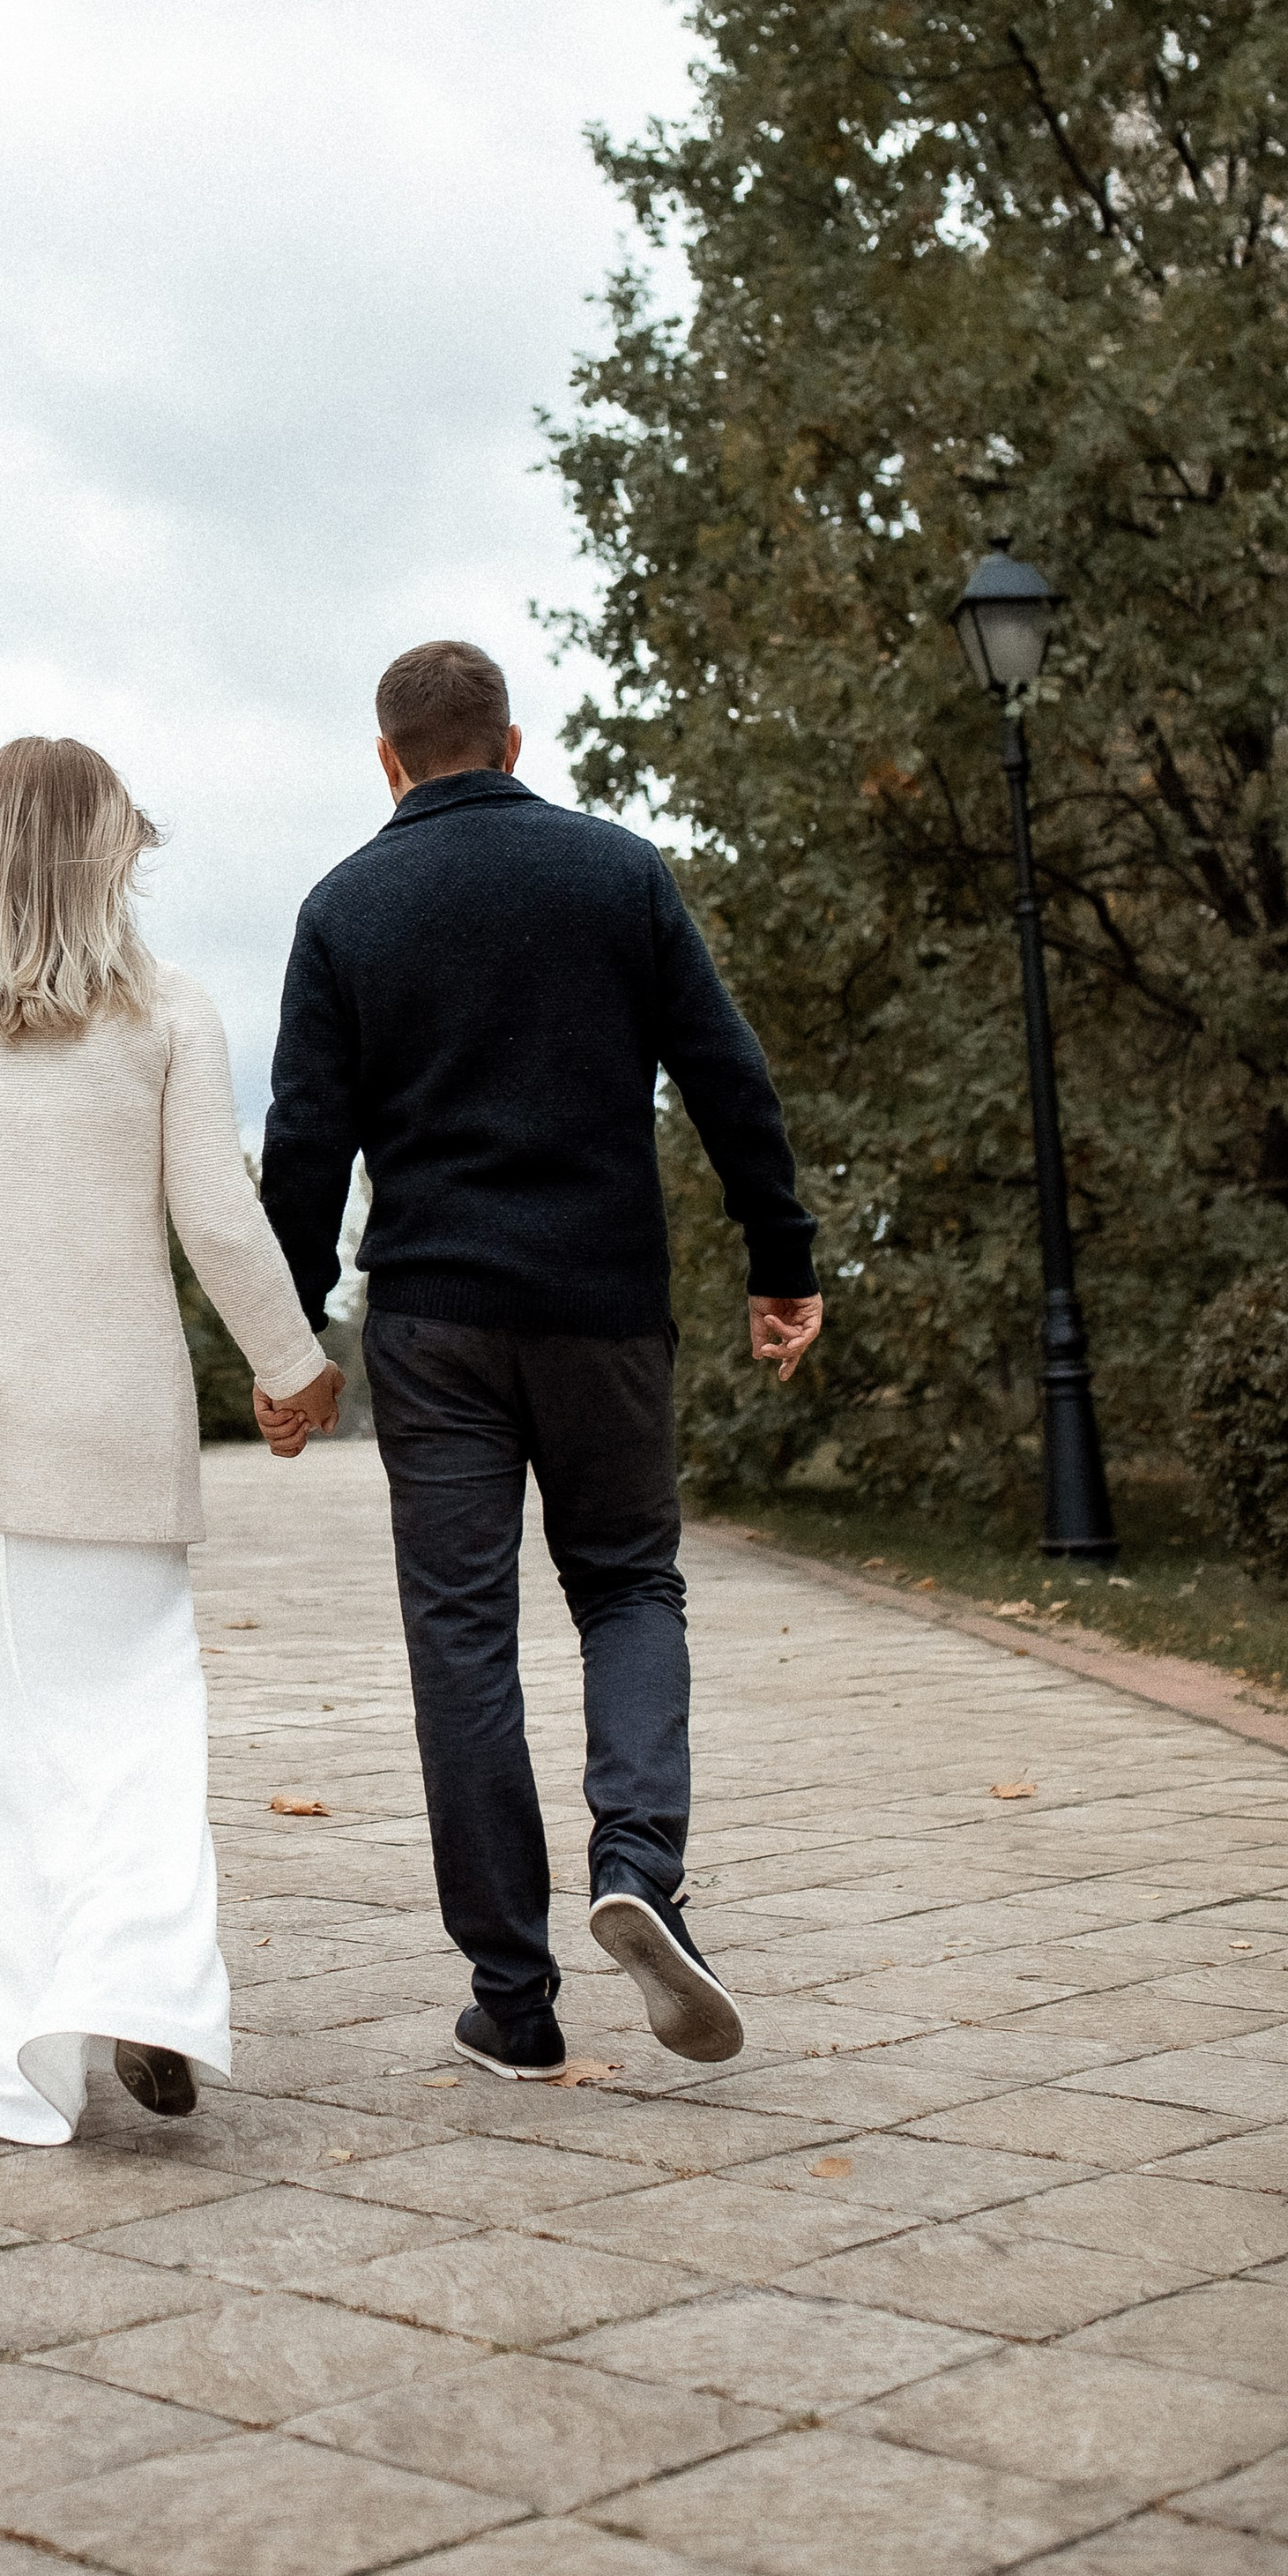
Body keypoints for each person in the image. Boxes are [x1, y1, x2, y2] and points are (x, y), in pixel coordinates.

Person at [257, 639, 820, 2079]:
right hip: (604, 1306)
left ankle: (514, 1997)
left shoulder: (342, 907)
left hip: (435, 1320)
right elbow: (725, 1072)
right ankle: (639, 1861)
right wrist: (782, 1260)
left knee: (462, 1634)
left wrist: (286, 1342)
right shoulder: (617, 873)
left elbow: (309, 1146)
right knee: (629, 1582)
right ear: (511, 742)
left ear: (387, 758)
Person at [0, 735, 344, 2145]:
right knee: (130, 1735)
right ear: (114, 853)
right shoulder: (168, 1006)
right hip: (113, 1441)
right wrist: (294, 1366)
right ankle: (138, 1976)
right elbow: (219, 1211)